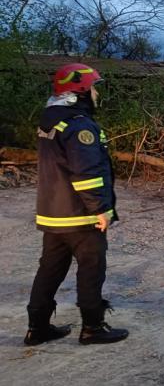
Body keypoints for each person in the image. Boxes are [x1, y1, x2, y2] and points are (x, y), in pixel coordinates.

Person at [24, 63, 128, 346]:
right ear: (80, 91)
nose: (96, 94)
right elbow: (87, 173)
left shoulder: (51, 122)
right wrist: (100, 209)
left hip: (53, 215)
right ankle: (93, 328)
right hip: (80, 216)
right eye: (93, 88)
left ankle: (37, 328)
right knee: (91, 269)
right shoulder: (80, 125)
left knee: (49, 270)